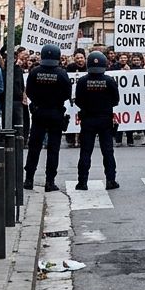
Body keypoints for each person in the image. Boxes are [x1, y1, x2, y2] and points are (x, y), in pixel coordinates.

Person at [24, 43, 71, 192]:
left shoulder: (34, 72)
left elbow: (29, 91)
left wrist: (38, 102)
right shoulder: (62, 73)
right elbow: (67, 93)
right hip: (56, 113)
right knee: (53, 149)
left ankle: (29, 179)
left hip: (39, 112)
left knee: (34, 147)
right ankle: (50, 182)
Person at [73, 51, 120, 191]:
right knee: (108, 152)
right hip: (105, 119)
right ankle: (111, 180)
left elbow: (78, 100)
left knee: (85, 152)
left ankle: (82, 182)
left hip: (87, 119)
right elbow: (115, 100)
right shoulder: (109, 81)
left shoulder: (82, 81)